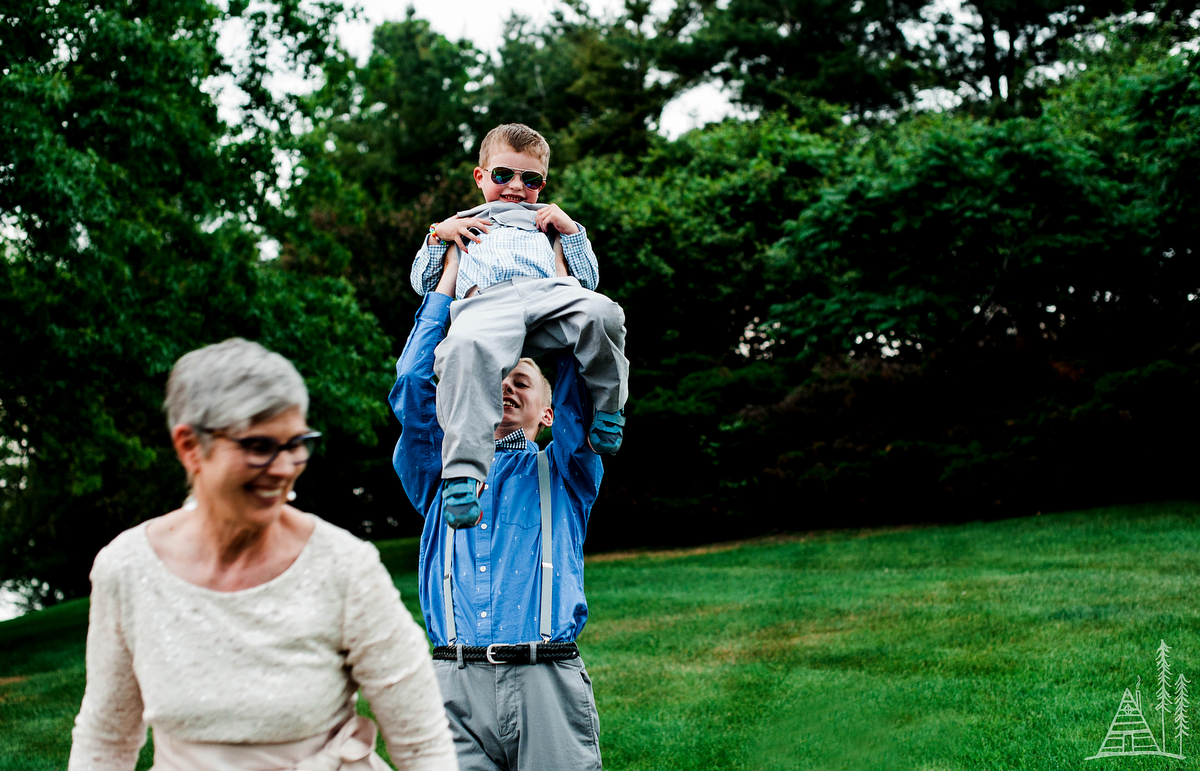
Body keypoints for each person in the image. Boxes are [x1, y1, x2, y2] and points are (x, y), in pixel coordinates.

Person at [68, 338, 457, 771]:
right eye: (259, 447)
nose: (284, 467)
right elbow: (105, 740)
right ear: (189, 447)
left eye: (295, 443)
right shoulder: (127, 568)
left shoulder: (344, 567)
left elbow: (424, 748)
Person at [390, 247, 604, 771]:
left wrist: (558, 279)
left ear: (549, 410)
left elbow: (583, 374)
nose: (504, 384)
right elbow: (415, 386)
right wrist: (448, 282)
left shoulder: (568, 469)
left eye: (521, 379)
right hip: (452, 686)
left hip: (544, 681)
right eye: (495, 375)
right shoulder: (438, 475)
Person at [409, 122, 628, 528]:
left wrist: (573, 231)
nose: (515, 186)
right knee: (459, 350)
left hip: (545, 296)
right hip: (486, 302)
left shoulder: (547, 222)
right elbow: (423, 283)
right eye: (503, 174)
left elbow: (588, 281)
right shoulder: (463, 221)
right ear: (481, 176)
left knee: (604, 312)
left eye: (529, 179)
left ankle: (609, 410)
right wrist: (439, 234)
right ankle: (463, 472)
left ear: (542, 184)